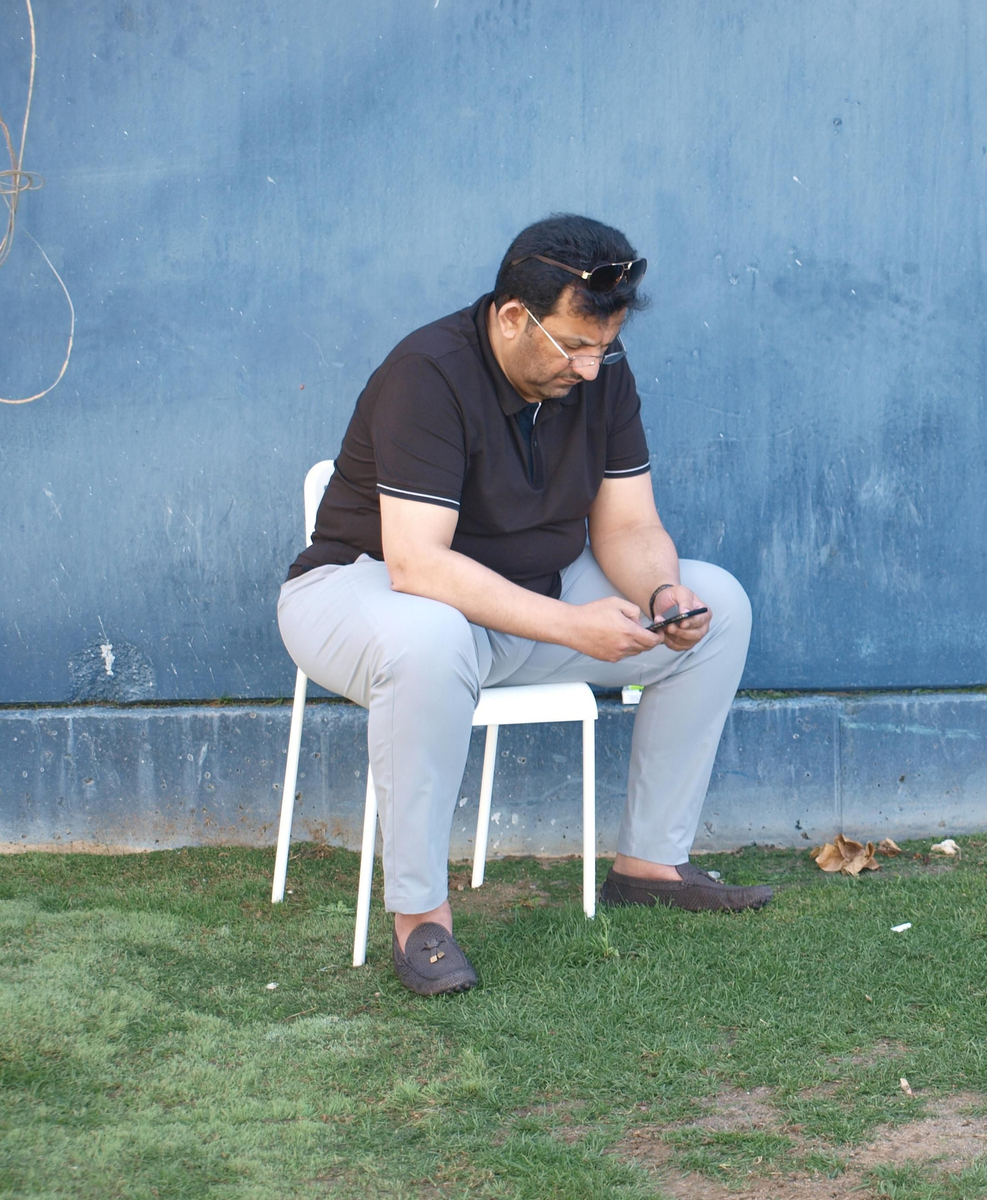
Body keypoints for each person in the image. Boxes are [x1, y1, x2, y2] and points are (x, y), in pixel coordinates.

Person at [276, 214, 770, 997]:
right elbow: (418, 563)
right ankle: (420, 919)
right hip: (362, 591)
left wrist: (661, 593)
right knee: (429, 641)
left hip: (517, 601)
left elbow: (631, 526)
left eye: (603, 348)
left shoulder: (600, 376)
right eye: (575, 345)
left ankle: (650, 862)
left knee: (724, 607)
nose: (590, 368)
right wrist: (574, 626)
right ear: (513, 317)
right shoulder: (429, 372)